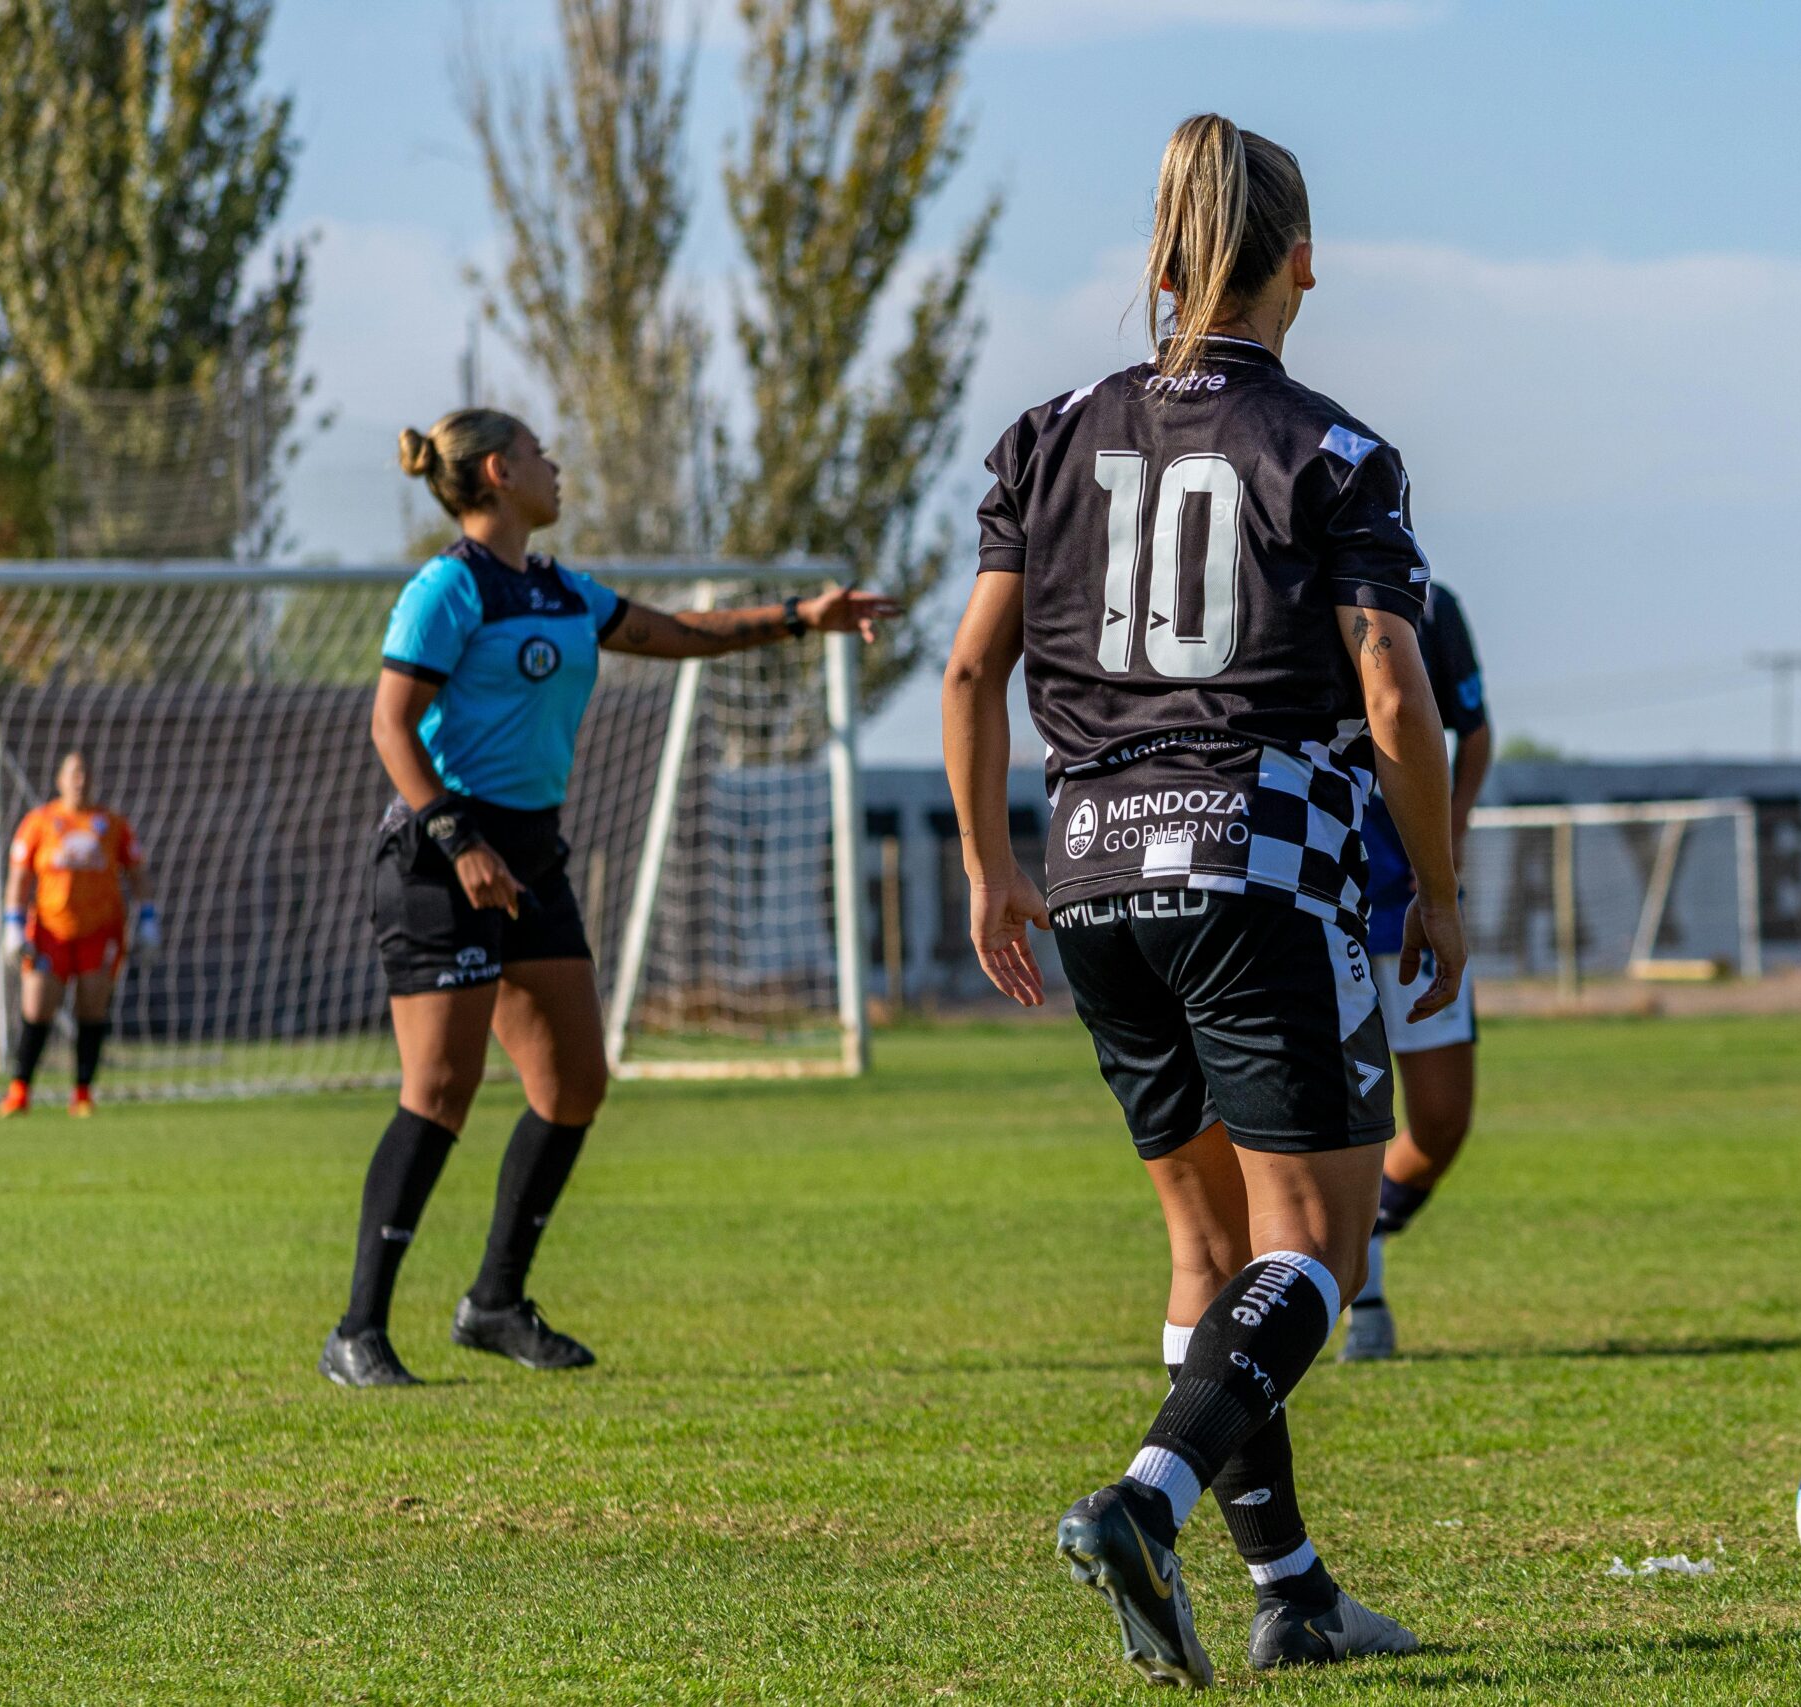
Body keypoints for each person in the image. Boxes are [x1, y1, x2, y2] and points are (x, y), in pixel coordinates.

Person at [942, 114, 1466, 1686]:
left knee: (1205, 1242)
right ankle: (1145, 1499)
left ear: (1162, 265)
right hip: (1259, 860)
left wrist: (987, 866)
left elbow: (971, 670)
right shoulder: (1334, 449)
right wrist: (1437, 890)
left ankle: (1292, 1589)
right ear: (1304, 263)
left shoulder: (1044, 435)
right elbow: (1395, 693)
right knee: (1319, 1249)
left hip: (1093, 870)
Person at [320, 409, 897, 1389]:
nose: (557, 464)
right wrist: (459, 842)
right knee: (442, 1089)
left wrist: (803, 615)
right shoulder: (447, 588)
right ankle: (357, 1332)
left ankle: (494, 1302)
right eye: (541, 453)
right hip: (440, 858)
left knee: (574, 1084)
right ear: (499, 472)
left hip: (530, 858)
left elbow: (682, 633)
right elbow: (390, 727)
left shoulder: (560, 589)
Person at [1340, 580, 1493, 1360]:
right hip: (1317, 892)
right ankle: (1361, 1303)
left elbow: (1476, 733)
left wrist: (1447, 838)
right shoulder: (1283, 592)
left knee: (1439, 1122)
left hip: (1411, 897)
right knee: (1345, 1119)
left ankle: (1355, 1240)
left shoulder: (1431, 606)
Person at [0, 751, 158, 1117]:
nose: (79, 780)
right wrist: (13, 924)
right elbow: (19, 877)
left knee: (92, 1006)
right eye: (73, 773)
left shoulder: (111, 824)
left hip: (99, 932)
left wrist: (148, 919)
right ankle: (20, 1090)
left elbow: (137, 873)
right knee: (37, 1005)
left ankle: (82, 1093)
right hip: (50, 931)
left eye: (85, 773)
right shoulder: (39, 822)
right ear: (59, 780)